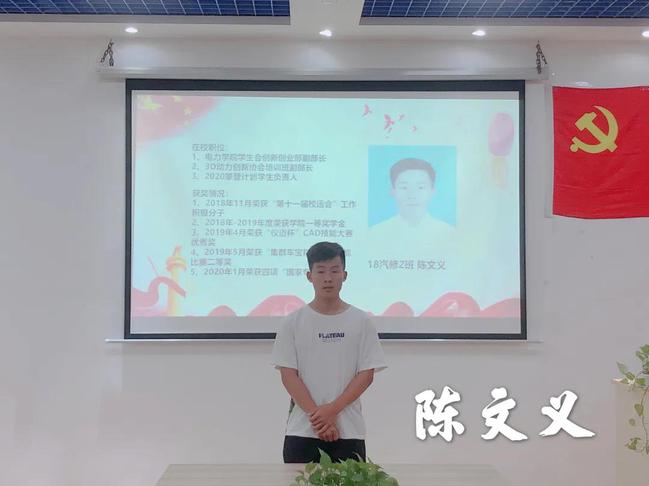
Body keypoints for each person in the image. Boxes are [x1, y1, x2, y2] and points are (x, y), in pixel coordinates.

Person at [271, 241, 387, 463]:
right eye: (321, 271)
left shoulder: (361, 321)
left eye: (334, 271)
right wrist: (320, 419)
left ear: (345, 275)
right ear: (309, 276)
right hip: (302, 431)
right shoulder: (292, 322)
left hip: (348, 431)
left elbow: (366, 375)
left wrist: (332, 411)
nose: (328, 278)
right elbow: (288, 376)